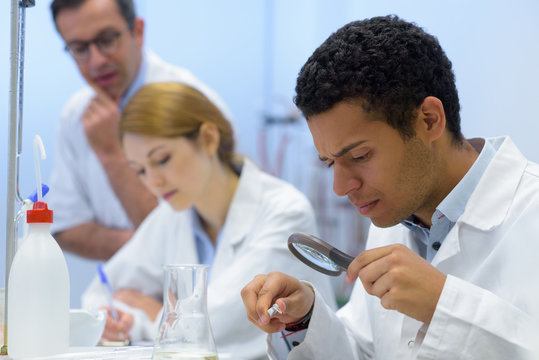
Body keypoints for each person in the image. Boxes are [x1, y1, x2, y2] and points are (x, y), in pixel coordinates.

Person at [241, 15, 539, 359]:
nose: (340, 187)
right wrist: (305, 319)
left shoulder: (529, 212)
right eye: (329, 162)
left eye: (360, 155)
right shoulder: (393, 218)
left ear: (429, 120)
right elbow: (368, 352)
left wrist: (443, 304)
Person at [81, 82, 337, 359]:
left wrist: (153, 310)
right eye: (140, 170)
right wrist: (117, 320)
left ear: (208, 138)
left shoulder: (285, 212)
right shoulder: (172, 216)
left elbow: (218, 326)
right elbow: (102, 292)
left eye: (162, 159)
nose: (153, 181)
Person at [48, 0, 230, 259]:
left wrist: (112, 153)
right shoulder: (75, 115)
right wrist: (148, 254)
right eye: (79, 49)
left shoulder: (191, 104)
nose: (97, 60)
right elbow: (65, 229)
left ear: (138, 31)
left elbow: (211, 231)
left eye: (108, 39)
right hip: (121, 288)